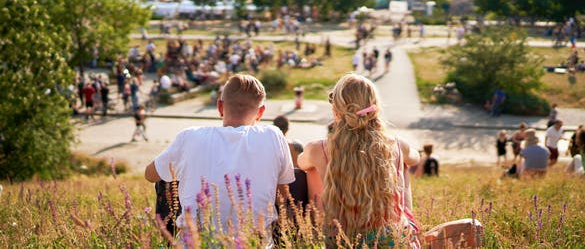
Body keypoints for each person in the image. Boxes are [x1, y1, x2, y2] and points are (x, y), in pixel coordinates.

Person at [144, 74, 295, 238]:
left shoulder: (189, 136)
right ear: (260, 112)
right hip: (254, 242)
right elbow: (283, 195)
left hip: (197, 243)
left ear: (220, 107)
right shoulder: (273, 135)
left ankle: (169, 239)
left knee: (166, 175)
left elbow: (150, 174)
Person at [299, 74, 421, 246]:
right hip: (392, 239)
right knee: (404, 166)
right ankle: (403, 229)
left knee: (312, 169)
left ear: (336, 112)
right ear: (375, 108)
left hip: (344, 239)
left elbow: (301, 163)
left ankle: (318, 229)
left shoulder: (318, 149)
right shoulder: (396, 144)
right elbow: (415, 158)